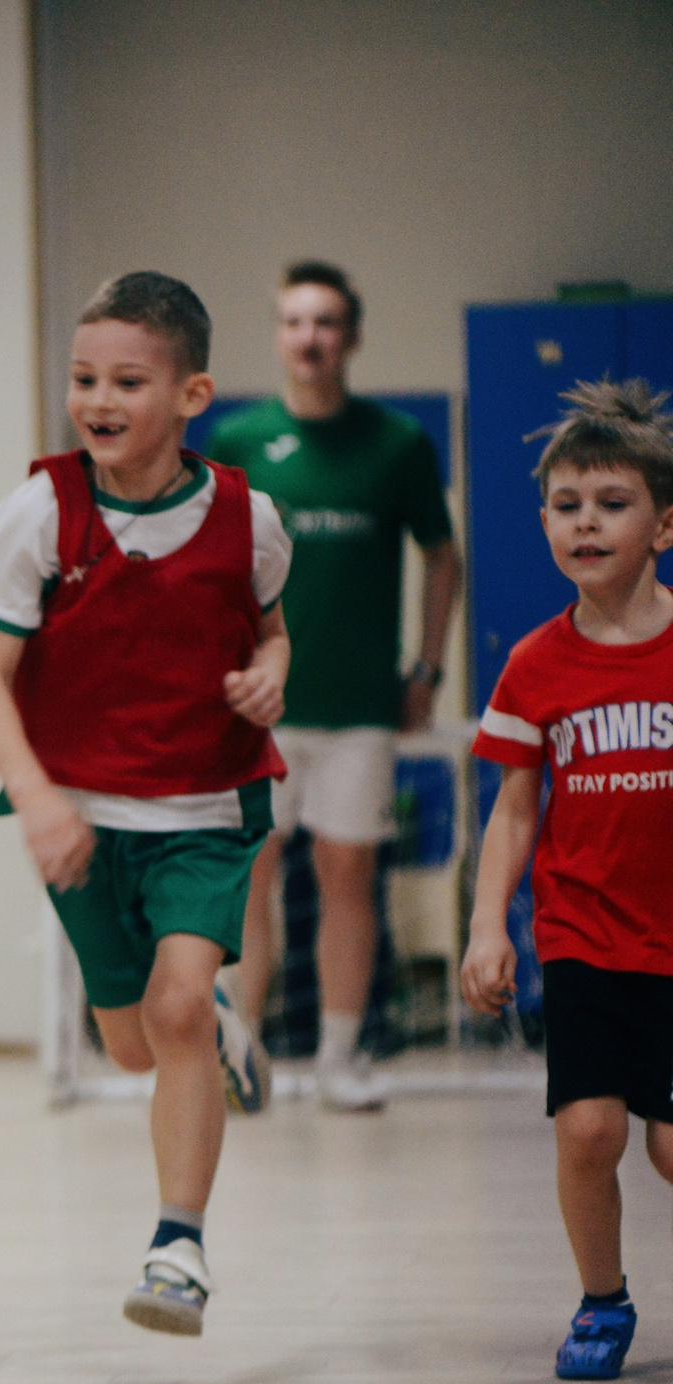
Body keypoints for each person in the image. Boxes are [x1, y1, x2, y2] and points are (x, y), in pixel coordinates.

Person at [0, 272, 290, 1336]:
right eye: (82, 377)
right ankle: (218, 1032)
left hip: (203, 806)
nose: (98, 399)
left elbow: (272, 629)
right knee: (132, 1044)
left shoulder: (250, 517)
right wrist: (38, 796)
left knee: (176, 1008)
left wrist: (272, 671)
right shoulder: (37, 513)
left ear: (191, 393)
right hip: (81, 821)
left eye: (127, 381)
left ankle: (177, 1248)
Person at [209, 261, 463, 1110]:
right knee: (250, 879)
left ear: (350, 336)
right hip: (260, 709)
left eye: (325, 323)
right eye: (294, 322)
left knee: (349, 879)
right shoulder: (238, 442)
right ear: (277, 334)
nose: (309, 337)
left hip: (360, 709)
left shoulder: (397, 444)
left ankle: (339, 1058)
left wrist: (426, 667)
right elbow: (203, 566)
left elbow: (442, 555)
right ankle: (242, 1057)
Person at [461, 380, 673, 1383]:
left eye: (611, 501)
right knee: (588, 1130)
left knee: (671, 1149)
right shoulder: (536, 665)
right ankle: (601, 1302)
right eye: (564, 503)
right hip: (585, 933)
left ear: (663, 524)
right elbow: (512, 809)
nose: (583, 521)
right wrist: (485, 927)